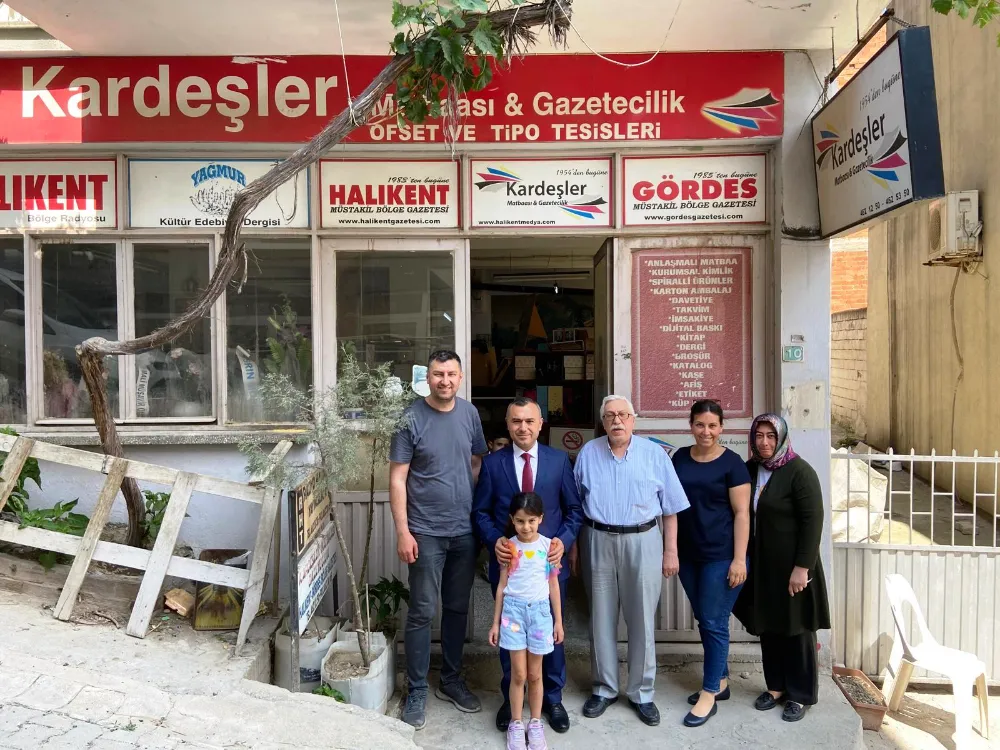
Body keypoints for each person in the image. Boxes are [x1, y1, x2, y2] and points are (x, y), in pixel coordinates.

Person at [572, 395, 689, 727]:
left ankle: (642, 693)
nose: (617, 421)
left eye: (623, 415)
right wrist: (575, 548)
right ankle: (604, 688)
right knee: (601, 618)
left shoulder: (654, 454)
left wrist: (670, 551)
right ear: (603, 422)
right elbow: (575, 506)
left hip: (643, 540)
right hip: (597, 538)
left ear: (633, 420)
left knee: (642, 620)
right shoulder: (588, 453)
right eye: (610, 416)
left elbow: (671, 509)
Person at [389, 350, 489, 730]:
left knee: (458, 608)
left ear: (460, 378)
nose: (444, 380)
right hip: (425, 533)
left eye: (451, 374)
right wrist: (403, 531)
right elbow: (397, 478)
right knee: (422, 611)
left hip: (463, 531)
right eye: (437, 374)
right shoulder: (410, 418)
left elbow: (476, 462)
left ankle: (450, 680)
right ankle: (416, 688)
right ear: (427, 378)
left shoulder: (470, 414)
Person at [473, 397, 583, 734]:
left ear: (540, 424)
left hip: (548, 565)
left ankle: (553, 697)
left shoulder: (558, 460)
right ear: (508, 425)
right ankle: (512, 699)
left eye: (529, 421)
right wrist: (495, 540)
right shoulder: (493, 464)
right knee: (512, 636)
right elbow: (480, 512)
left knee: (550, 632)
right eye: (516, 421)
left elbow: (574, 509)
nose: (523, 427)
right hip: (510, 566)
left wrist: (563, 540)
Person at [734, 413, 832, 723]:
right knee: (770, 627)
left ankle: (800, 694)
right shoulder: (751, 469)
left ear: (781, 439)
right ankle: (775, 687)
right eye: (759, 435)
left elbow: (813, 522)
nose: (764, 442)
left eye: (771, 436)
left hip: (793, 567)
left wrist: (802, 568)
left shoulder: (799, 472)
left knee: (797, 630)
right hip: (763, 566)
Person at [671, 400, 751, 728]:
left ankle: (709, 694)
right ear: (691, 425)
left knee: (714, 622)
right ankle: (721, 680)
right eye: (700, 425)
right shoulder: (679, 458)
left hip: (722, 556)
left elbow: (742, 514)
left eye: (713, 425)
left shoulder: (733, 464)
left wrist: (739, 560)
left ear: (722, 428)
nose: (706, 431)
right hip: (689, 555)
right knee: (705, 619)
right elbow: (671, 504)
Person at [488, 492, 566, 750]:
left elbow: (553, 585)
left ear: (541, 519)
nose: (526, 527)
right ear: (512, 519)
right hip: (513, 615)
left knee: (534, 674)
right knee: (518, 674)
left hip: (540, 615)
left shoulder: (548, 547)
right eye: (520, 521)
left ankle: (535, 723)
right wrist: (495, 623)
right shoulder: (508, 548)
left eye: (531, 521)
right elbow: (502, 586)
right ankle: (516, 723)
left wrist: (558, 622)